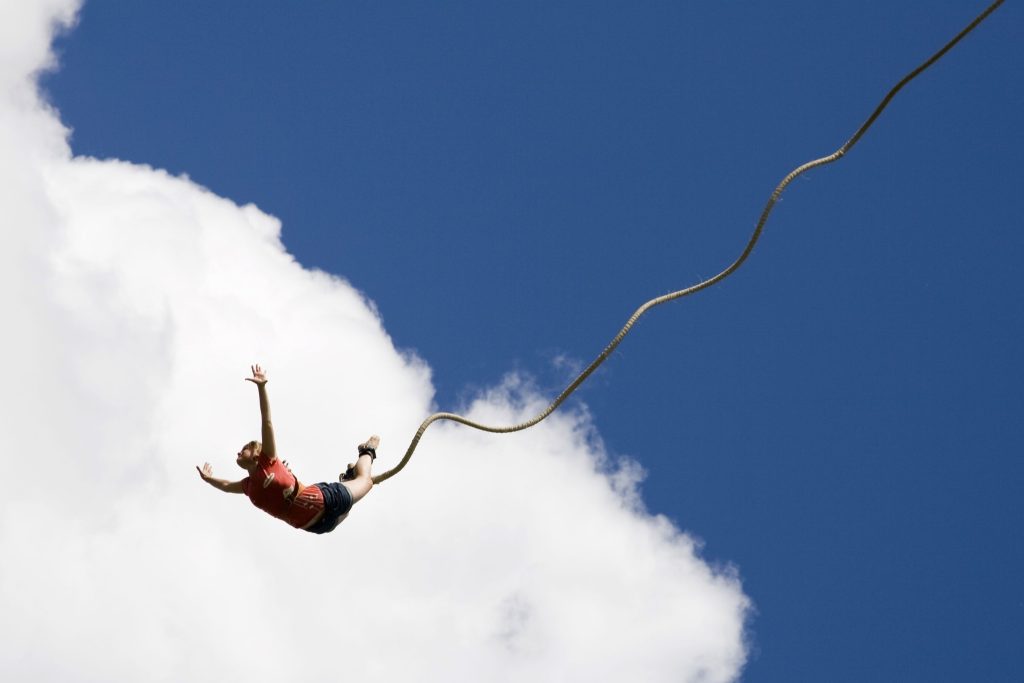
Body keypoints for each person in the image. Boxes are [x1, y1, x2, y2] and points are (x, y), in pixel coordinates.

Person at [197, 364, 377, 534]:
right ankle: (348, 478)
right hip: (318, 527)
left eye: (244, 449)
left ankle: (366, 451)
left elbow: (266, 420)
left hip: (327, 499)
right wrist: (209, 479)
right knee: (348, 508)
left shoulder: (268, 460)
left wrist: (261, 388)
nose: (238, 452)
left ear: (256, 455)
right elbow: (227, 486)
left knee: (366, 482)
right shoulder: (248, 486)